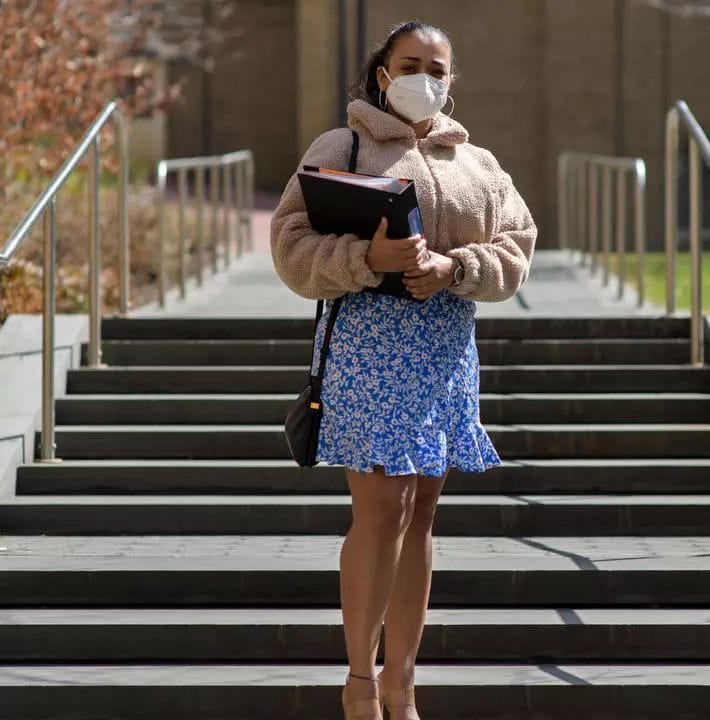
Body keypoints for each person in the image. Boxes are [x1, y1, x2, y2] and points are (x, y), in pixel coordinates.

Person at [270, 20, 537, 720]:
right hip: (369, 342)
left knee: (420, 514)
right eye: (409, 63)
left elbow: (518, 243)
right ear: (382, 74)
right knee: (381, 508)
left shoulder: (477, 162)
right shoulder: (344, 146)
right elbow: (291, 244)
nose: (424, 77)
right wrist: (368, 261)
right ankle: (359, 681)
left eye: (437, 67)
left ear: (451, 80)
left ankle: (402, 681)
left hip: (445, 348)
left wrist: (457, 267)